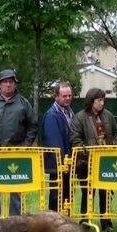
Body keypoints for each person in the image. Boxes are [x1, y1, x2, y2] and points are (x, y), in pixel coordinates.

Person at [0, 69, 37, 217]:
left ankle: (14, 221)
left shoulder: (24, 103)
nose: (8, 85)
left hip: (15, 153)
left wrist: (26, 144)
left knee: (15, 188)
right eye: (5, 82)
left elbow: (33, 125)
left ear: (15, 84)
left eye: (11, 82)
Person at [70, 88, 117, 232]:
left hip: (106, 161)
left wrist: (116, 142)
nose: (102, 103)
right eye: (99, 100)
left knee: (106, 191)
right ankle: (86, 221)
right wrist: (86, 149)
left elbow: (116, 133)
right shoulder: (80, 117)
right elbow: (75, 139)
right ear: (91, 101)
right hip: (87, 162)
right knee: (88, 192)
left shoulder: (108, 116)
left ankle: (106, 223)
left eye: (103, 100)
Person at [41, 81, 74, 213]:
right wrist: (62, 163)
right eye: (64, 96)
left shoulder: (70, 112)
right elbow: (54, 142)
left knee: (67, 194)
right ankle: (53, 223)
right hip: (57, 164)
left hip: (68, 162)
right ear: (56, 96)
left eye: (70, 96)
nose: (67, 99)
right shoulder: (51, 115)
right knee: (57, 195)